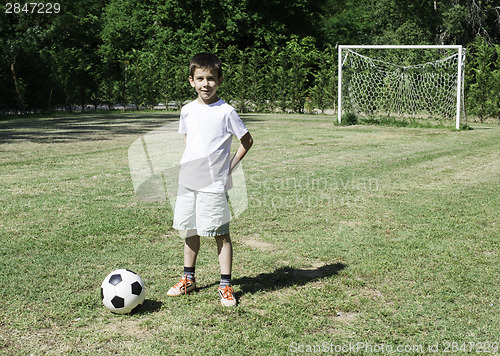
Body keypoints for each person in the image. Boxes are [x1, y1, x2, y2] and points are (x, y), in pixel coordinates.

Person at [167, 52, 253, 306]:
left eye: (211, 79)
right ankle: (188, 279)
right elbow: (189, 141)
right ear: (191, 81)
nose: (206, 84)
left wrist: (229, 168)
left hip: (213, 185)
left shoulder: (226, 112)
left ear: (220, 80)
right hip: (187, 182)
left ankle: (226, 286)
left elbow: (247, 141)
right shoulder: (187, 110)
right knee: (190, 230)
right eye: (200, 78)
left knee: (220, 233)